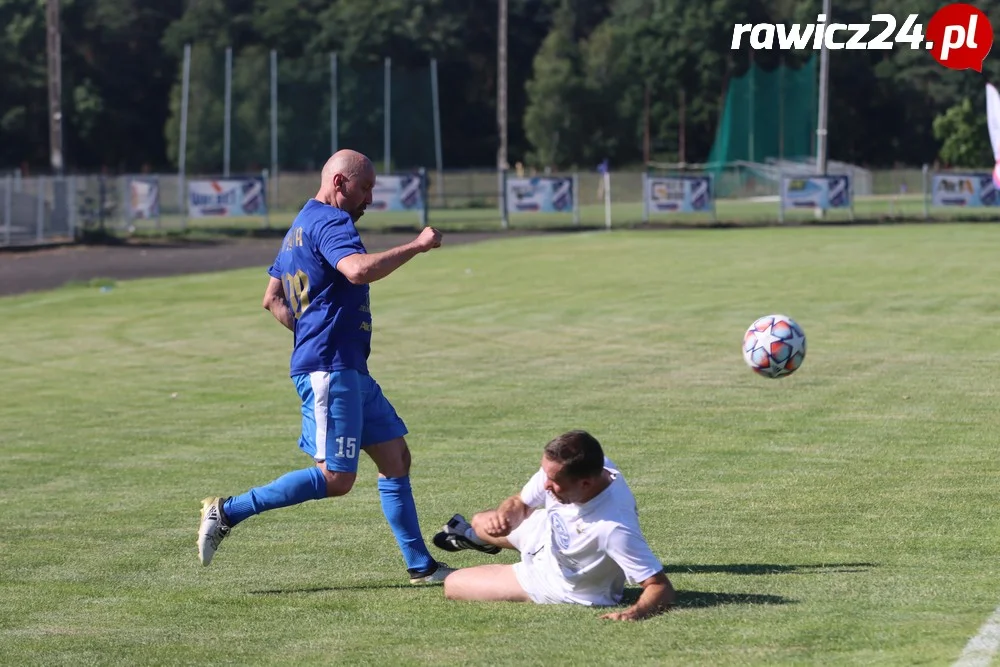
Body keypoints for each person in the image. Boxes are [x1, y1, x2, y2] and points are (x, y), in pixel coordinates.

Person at [197, 149, 453, 585]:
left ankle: (421, 567)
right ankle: (227, 512)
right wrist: (417, 245)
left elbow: (272, 299)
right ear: (339, 183)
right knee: (336, 478)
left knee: (396, 456)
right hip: (331, 370)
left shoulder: (299, 226)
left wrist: (311, 334)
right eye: (365, 188)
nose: (369, 199)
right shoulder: (333, 222)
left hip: (345, 366)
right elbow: (356, 271)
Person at [433, 430, 674, 620]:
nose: (545, 484)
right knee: (480, 521)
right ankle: (473, 536)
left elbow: (660, 586)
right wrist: (506, 519)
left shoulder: (613, 528)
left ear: (586, 484)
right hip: (550, 533)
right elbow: (521, 502)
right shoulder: (576, 468)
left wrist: (634, 613)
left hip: (561, 583)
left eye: (554, 481)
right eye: (545, 474)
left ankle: (495, 554)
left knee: (454, 583)